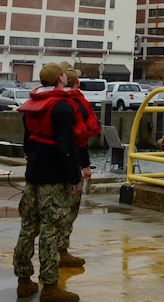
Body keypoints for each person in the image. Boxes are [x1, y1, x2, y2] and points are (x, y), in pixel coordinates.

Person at [12, 63, 83, 302]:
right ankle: (50, 286)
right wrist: (75, 177)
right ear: (61, 79)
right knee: (51, 231)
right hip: (54, 177)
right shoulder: (61, 107)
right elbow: (66, 147)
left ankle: (23, 280)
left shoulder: (32, 105)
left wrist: (32, 163)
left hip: (33, 174)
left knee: (28, 227)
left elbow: (27, 143)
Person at [58, 69, 99, 267]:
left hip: (42, 165)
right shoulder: (74, 105)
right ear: (77, 82)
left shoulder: (50, 102)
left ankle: (25, 271)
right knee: (67, 210)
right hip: (70, 163)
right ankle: (61, 251)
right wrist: (85, 166)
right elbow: (80, 138)